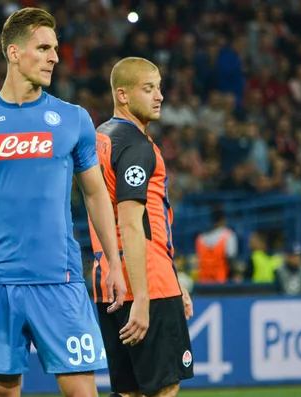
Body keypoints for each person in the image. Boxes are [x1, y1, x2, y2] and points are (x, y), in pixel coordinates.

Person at [0, 8, 126, 397]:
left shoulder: (73, 119)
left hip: (60, 280)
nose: (55, 58)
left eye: (55, 49)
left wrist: (112, 259)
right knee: (0, 392)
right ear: (13, 53)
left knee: (81, 391)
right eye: (43, 48)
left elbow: (95, 193)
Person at [89, 57, 194, 397]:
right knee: (164, 386)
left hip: (108, 282)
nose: (159, 96)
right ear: (122, 95)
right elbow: (133, 225)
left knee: (128, 389)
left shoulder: (99, 138)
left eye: (159, 88)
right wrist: (145, 298)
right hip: (145, 281)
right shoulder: (136, 146)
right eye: (148, 89)